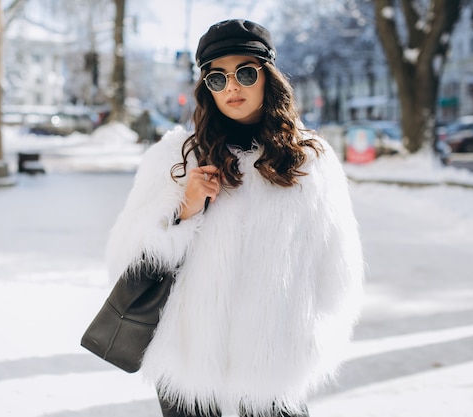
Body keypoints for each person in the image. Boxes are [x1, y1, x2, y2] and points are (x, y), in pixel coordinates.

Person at [104, 19, 364, 417]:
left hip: (273, 359)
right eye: (217, 77)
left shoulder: (311, 162)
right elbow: (125, 256)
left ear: (268, 77)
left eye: (245, 72)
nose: (232, 87)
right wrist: (184, 211)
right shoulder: (174, 158)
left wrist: (306, 338)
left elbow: (338, 268)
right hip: (188, 356)